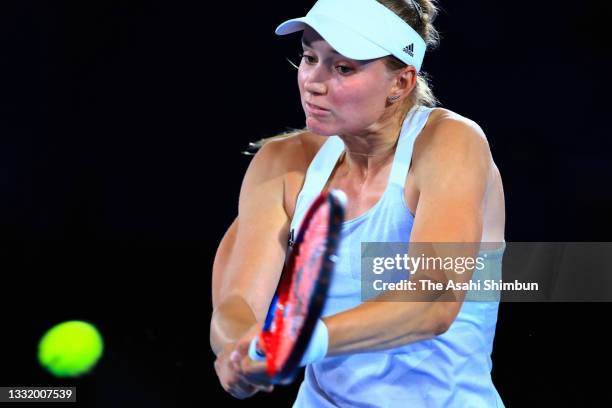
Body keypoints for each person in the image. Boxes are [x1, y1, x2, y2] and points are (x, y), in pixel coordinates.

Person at [211, 0, 506, 406]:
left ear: (400, 83)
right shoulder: (282, 162)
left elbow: (433, 301)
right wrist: (239, 353)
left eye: (343, 67)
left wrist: (300, 342)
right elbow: (236, 303)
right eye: (309, 57)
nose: (313, 81)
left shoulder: (450, 143)